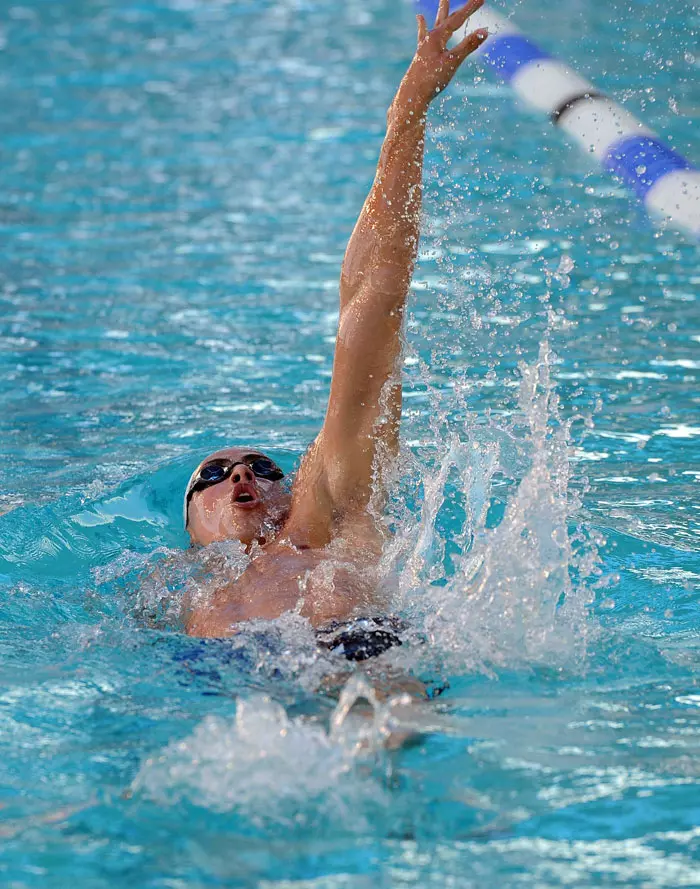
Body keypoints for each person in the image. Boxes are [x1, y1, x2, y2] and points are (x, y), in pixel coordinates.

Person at [184, 0, 489, 653]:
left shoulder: (321, 519)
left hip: (362, 666)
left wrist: (405, 120)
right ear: (189, 525)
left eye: (261, 466)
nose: (240, 477)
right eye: (212, 475)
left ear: (291, 490)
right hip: (228, 703)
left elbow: (369, 301)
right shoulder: (172, 594)